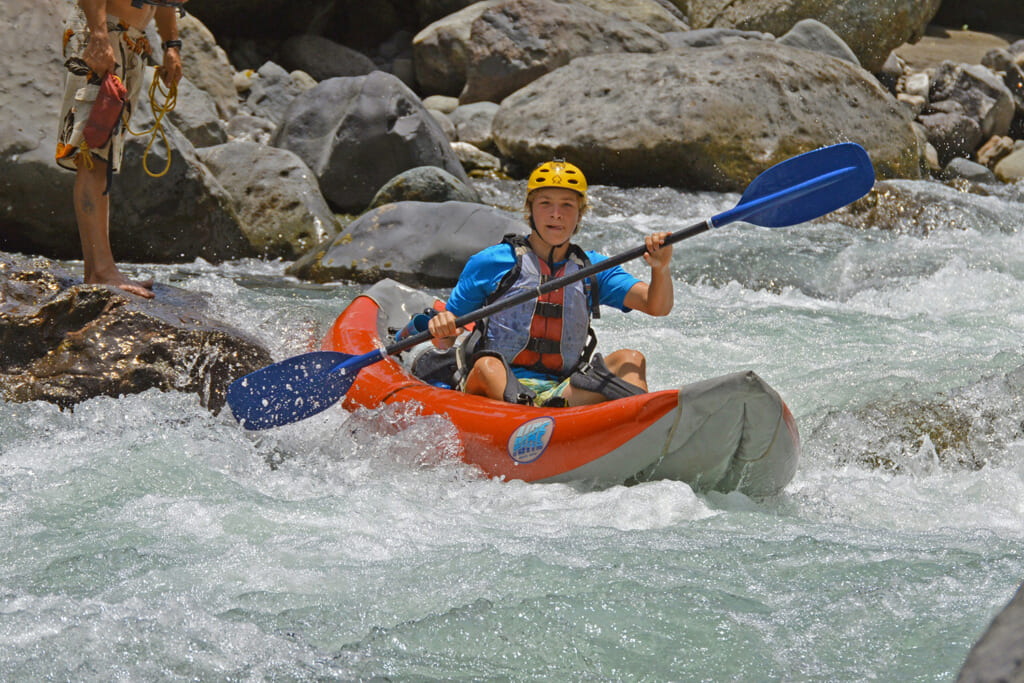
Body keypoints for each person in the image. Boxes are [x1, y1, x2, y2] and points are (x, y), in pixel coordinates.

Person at [427, 160, 674, 407]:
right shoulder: (492, 262)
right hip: (496, 387)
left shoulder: (592, 268)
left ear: (580, 213)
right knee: (486, 366)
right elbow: (445, 339)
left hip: (560, 392)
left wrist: (661, 269)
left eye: (567, 205)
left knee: (631, 360)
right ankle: (531, 416)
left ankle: (642, 422)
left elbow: (656, 306)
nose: (556, 214)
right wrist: (442, 329)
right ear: (530, 209)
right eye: (545, 203)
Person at [55, 0, 187, 299]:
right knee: (93, 154)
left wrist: (171, 45)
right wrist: (98, 36)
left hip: (130, 41)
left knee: (103, 154)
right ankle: (101, 272)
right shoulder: (101, 37)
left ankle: (100, 269)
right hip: (104, 35)